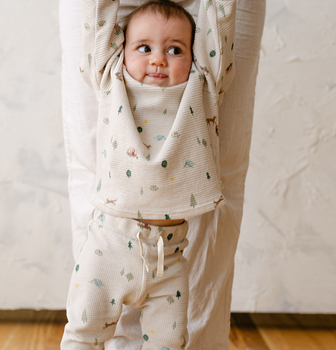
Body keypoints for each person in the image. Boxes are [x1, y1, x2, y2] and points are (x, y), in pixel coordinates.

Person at [61, 0, 236, 349]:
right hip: (107, 250)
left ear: (195, 55)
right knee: (83, 335)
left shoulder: (202, 88)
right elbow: (98, 19)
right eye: (144, 47)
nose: (158, 59)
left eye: (175, 49)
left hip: (168, 261)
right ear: (120, 51)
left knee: (170, 343)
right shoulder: (110, 78)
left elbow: (220, 24)